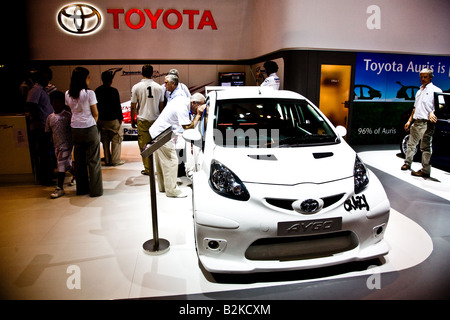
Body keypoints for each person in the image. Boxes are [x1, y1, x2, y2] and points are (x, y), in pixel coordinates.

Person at [149, 90, 206, 198]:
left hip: (157, 131)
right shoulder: (183, 107)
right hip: (162, 134)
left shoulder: (182, 100)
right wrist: (198, 115)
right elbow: (188, 127)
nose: (200, 108)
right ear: (194, 102)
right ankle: (172, 191)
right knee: (172, 161)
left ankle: (163, 187)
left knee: (162, 161)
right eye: (200, 106)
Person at [65, 67, 103, 197]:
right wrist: (93, 124)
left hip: (75, 128)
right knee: (93, 160)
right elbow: (95, 113)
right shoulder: (89, 93)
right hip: (89, 127)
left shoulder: (67, 94)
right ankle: (96, 190)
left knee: (79, 161)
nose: (89, 79)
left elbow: (71, 110)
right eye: (88, 77)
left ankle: (81, 189)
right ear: (84, 79)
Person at [401, 68, 444, 178]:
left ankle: (425, 170)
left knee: (425, 147)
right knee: (411, 144)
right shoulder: (419, 91)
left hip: (427, 123)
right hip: (417, 122)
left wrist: (433, 112)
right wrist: (409, 121)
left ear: (430, 77)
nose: (423, 79)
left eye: (425, 77)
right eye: (421, 77)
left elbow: (441, 107)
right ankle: (407, 163)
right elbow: (415, 108)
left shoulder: (436, 90)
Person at [130, 64, 165, 175]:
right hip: (156, 120)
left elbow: (133, 105)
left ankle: (148, 169)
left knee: (144, 145)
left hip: (143, 119)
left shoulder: (136, 87)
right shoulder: (159, 87)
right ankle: (160, 168)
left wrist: (132, 119)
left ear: (142, 73)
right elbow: (161, 106)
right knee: (158, 145)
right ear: (152, 73)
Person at [26, 65, 55, 185]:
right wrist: (39, 123)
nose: (47, 81)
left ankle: (48, 175)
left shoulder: (41, 90)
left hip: (44, 126)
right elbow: (31, 106)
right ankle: (45, 178)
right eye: (45, 78)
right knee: (44, 154)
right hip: (41, 127)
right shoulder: (36, 90)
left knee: (47, 153)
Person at [45, 91, 74, 199]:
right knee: (66, 165)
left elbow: (72, 130)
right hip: (57, 146)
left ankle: (60, 187)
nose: (56, 104)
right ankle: (76, 175)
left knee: (60, 165)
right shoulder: (50, 118)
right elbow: (48, 132)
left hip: (66, 145)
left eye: (58, 102)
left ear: (63, 103)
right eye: (54, 102)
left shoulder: (68, 116)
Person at [95, 70, 124, 166]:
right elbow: (117, 106)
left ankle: (107, 160)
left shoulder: (97, 91)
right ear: (111, 80)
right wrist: (120, 118)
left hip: (102, 120)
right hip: (113, 120)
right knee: (116, 140)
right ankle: (115, 160)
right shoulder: (114, 91)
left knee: (105, 141)